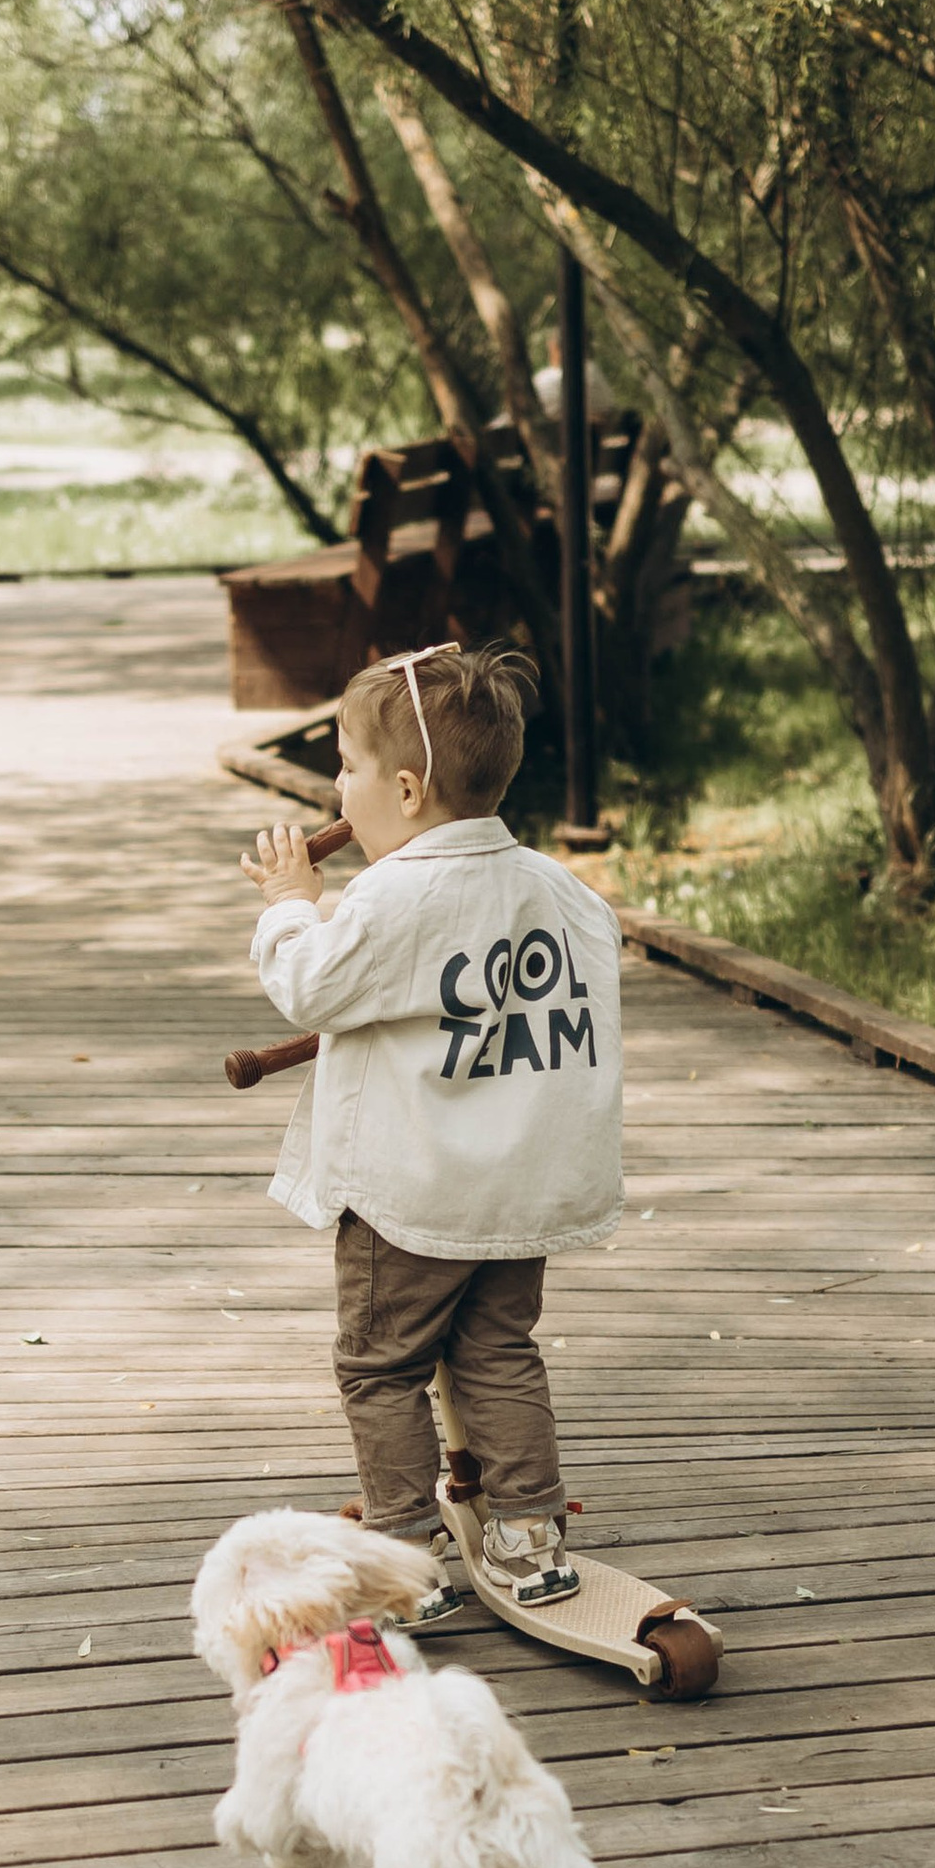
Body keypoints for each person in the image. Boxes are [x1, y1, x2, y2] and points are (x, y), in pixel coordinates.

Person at [238, 641, 623, 1624]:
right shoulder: (561, 892)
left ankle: (403, 1547)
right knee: (498, 1351)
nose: (338, 785)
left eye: (347, 767)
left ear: (405, 788)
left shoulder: (393, 897)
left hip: (408, 1194)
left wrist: (292, 907)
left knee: (381, 1365)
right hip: (518, 1189)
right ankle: (530, 1533)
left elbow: (309, 985)